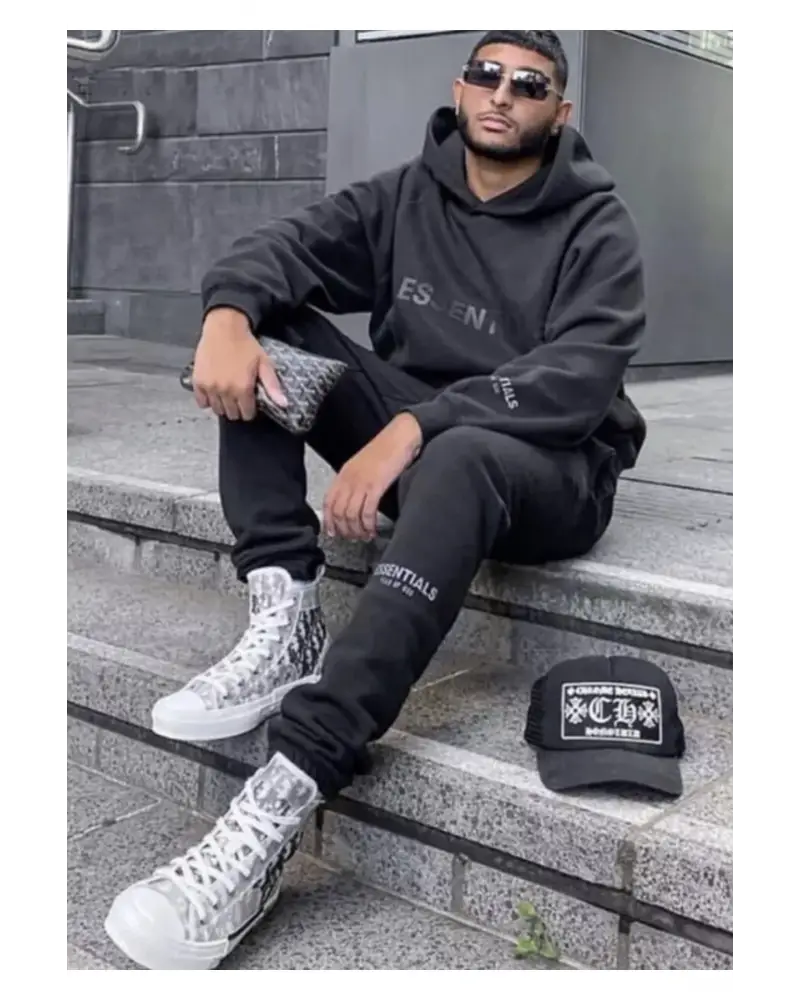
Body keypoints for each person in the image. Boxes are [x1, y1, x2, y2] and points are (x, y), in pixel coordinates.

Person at [104, 30, 647, 970]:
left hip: (551, 469)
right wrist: (227, 319)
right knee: (271, 324)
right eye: (488, 75)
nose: (503, 94)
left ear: (559, 112)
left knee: (462, 452)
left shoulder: (598, 225)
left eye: (529, 85)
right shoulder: (405, 195)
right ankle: (285, 609)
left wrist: (413, 429)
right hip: (426, 448)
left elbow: (579, 380)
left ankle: (284, 795)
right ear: (460, 89)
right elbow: (278, 248)